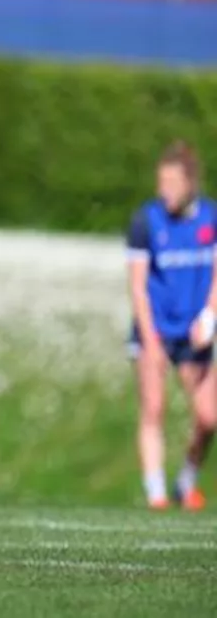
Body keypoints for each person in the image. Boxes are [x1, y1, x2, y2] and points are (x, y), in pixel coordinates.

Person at [126, 140, 217, 511]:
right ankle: (156, 494)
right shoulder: (146, 221)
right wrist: (151, 340)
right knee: (154, 407)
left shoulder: (210, 218)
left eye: (172, 183)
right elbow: (137, 283)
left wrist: (209, 317)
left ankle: (185, 481)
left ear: (190, 182)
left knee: (209, 415)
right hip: (155, 328)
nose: (165, 191)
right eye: (161, 182)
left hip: (194, 330)